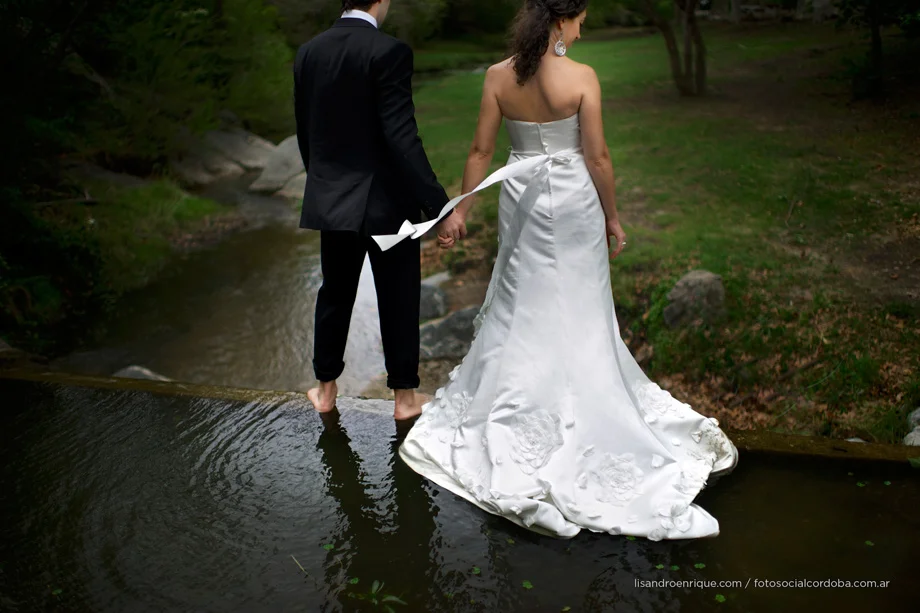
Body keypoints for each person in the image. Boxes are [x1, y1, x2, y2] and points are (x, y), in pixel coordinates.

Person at [397, 0, 739, 540]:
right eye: (581, 18)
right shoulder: (580, 77)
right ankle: (580, 402)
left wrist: (460, 210)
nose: (584, 27)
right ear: (562, 19)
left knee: (523, 300)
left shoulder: (496, 76)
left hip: (522, 200)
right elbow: (598, 157)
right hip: (575, 203)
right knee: (578, 303)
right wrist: (613, 217)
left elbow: (481, 149)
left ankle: (517, 408)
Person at [293, 0, 467, 420]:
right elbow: (402, 137)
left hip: (332, 197)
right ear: (381, 0)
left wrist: (322, 183)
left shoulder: (309, 51)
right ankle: (405, 400)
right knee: (399, 294)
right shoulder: (389, 51)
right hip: (387, 202)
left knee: (334, 293)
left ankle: (326, 390)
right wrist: (439, 206)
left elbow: (306, 131)